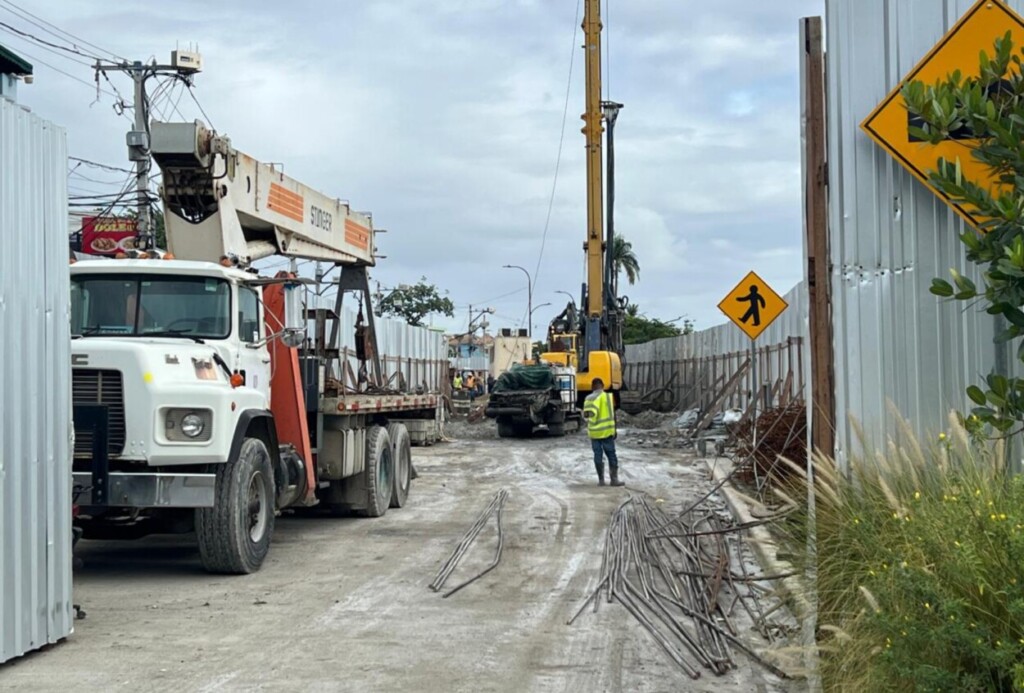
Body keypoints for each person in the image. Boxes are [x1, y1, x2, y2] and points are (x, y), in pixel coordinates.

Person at [582, 378, 623, 487]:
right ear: (603, 386)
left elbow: (586, 416)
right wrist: (615, 430)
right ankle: (614, 480)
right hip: (607, 432)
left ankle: (601, 480)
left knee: (597, 455)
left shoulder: (588, 398)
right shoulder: (608, 397)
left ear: (592, 387)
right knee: (611, 455)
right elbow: (613, 414)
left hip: (594, 433)